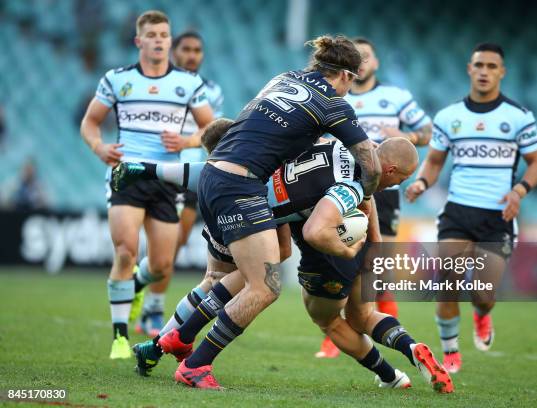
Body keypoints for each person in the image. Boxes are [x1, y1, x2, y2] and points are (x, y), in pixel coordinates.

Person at [115, 120, 453, 393]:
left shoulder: (333, 145)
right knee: (321, 308)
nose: (395, 186)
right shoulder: (351, 183)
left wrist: (145, 169)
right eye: (401, 179)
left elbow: (201, 171)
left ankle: (176, 340)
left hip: (249, 204)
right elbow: (318, 230)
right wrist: (356, 247)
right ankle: (401, 361)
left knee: (244, 282)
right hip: (308, 236)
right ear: (390, 169)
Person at [127, 34, 381, 389]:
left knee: (231, 278)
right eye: (351, 84)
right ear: (348, 76)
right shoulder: (334, 104)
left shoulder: (284, 77)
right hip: (241, 188)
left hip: (216, 177)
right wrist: (360, 193)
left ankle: (170, 341)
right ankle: (195, 365)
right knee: (264, 287)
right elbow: (372, 165)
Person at [80, 10, 214, 359]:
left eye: (163, 35)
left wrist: (184, 143)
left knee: (161, 266)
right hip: (127, 173)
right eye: (151, 35)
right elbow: (90, 123)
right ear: (139, 41)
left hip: (166, 178)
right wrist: (99, 147)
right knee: (125, 251)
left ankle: (139, 283)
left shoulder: (187, 83)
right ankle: (120, 338)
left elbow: (211, 131)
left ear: (169, 41)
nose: (158, 40)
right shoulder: (117, 79)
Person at [406, 43, 537, 373]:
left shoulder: (518, 117)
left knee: (482, 294)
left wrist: (519, 190)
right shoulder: (448, 116)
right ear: (470, 69)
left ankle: (482, 316)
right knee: (447, 284)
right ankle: (451, 350)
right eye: (479, 65)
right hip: (457, 212)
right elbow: (435, 161)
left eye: (491, 66)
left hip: (498, 217)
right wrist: (421, 183)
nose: (484, 71)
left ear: (501, 72)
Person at [311, 37, 434, 358]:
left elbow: (427, 131)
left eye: (367, 57)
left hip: (385, 187)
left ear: (376, 62)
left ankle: (367, 319)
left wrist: (407, 137)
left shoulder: (396, 97)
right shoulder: (338, 96)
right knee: (341, 252)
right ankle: (338, 328)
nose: (363, 63)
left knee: (379, 260)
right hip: (343, 183)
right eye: (358, 58)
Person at [133, 30, 224, 338]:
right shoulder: (160, 86)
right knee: (165, 248)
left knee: (177, 244)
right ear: (174, 51)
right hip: (164, 171)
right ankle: (152, 308)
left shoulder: (211, 90)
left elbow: (211, 130)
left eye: (197, 50)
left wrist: (186, 140)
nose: (191, 55)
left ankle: (143, 288)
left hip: (192, 173)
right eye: (186, 49)